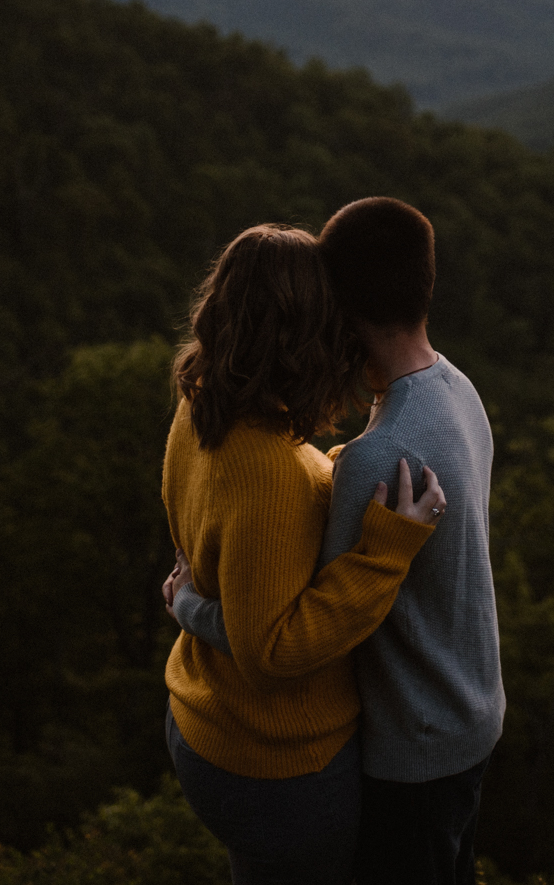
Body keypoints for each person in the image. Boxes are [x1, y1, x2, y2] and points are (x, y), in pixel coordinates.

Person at [176, 198, 505, 885]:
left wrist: (192, 608)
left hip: (412, 741)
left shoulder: (374, 461)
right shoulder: (459, 391)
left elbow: (291, 634)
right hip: (471, 712)